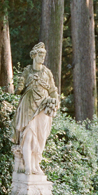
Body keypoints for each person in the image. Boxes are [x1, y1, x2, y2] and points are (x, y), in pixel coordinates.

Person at [13, 42, 59, 175]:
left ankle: (36, 164)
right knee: (28, 136)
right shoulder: (27, 71)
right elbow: (18, 91)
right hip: (28, 106)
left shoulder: (47, 73)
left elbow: (53, 90)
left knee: (40, 137)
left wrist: (56, 102)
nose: (42, 57)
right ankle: (28, 166)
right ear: (34, 56)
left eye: (44, 55)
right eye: (40, 55)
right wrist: (24, 83)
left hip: (43, 106)